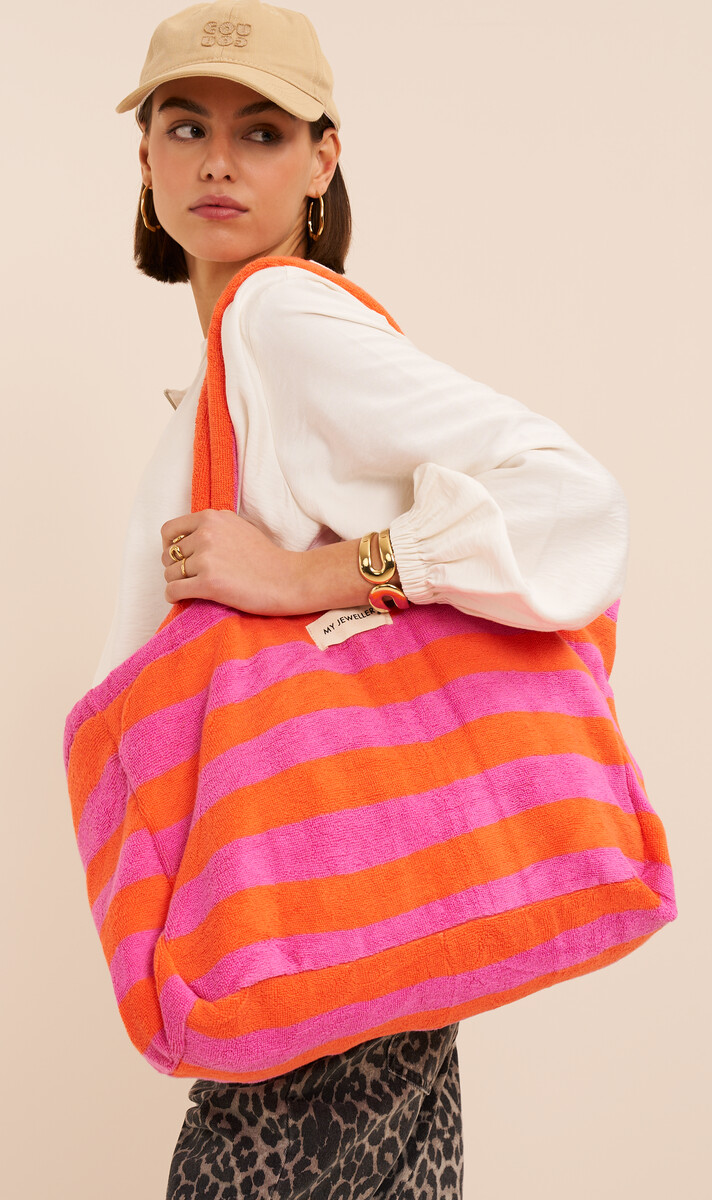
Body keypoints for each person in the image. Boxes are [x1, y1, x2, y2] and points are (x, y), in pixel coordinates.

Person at [95, 3, 630, 1197]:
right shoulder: (229, 366)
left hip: (319, 944)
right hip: (354, 936)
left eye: (263, 131)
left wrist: (303, 580)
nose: (218, 160)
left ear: (321, 159)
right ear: (145, 160)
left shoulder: (281, 319)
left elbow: (570, 496)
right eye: (185, 127)